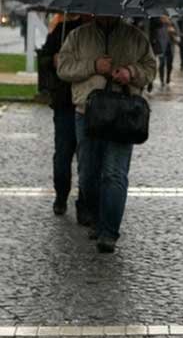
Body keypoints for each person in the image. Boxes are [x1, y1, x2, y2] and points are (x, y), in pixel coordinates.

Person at [57, 15, 157, 253]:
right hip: (87, 114)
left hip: (123, 115)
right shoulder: (78, 36)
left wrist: (131, 72)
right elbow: (63, 68)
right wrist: (94, 66)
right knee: (88, 173)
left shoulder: (135, 37)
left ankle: (109, 232)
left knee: (114, 173)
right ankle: (95, 217)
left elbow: (151, 68)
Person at [36, 14, 86, 216]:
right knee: (63, 154)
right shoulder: (63, 30)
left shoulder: (103, 34)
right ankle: (61, 196)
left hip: (93, 105)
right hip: (65, 102)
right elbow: (43, 58)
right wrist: (52, 60)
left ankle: (86, 202)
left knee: (88, 158)